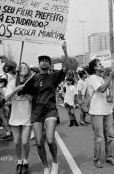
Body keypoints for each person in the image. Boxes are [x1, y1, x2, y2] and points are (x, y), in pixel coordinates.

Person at [19, 42, 69, 174]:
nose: (45, 62)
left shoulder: (53, 76)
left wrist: (65, 51)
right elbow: (20, 89)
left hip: (50, 110)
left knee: (50, 139)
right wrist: (19, 74)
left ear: (50, 64)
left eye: (47, 61)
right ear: (39, 64)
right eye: (42, 61)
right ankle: (46, 166)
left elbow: (66, 68)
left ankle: (55, 162)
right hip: (36, 113)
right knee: (39, 143)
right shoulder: (33, 78)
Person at [86, 59, 114, 169]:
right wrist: (110, 77)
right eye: (99, 64)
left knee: (110, 135)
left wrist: (112, 79)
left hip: (107, 111)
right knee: (99, 137)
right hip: (96, 112)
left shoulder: (103, 78)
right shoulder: (92, 78)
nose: (102, 65)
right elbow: (102, 89)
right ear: (94, 67)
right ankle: (97, 159)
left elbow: (109, 93)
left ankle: (109, 156)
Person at [5, 62, 33, 174]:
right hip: (15, 117)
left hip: (27, 116)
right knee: (17, 142)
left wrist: (24, 91)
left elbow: (32, 99)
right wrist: (16, 89)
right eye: (21, 67)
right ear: (17, 70)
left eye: (26, 67)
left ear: (28, 70)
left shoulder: (31, 82)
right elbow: (7, 98)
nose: (23, 69)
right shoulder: (12, 82)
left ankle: (25, 162)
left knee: (25, 142)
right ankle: (19, 161)